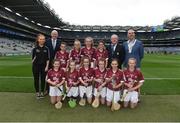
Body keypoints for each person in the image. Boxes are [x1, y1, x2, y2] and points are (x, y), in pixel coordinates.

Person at [32, 34, 49, 99]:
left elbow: (48, 59)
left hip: (43, 67)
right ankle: (37, 93)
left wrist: (47, 66)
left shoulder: (46, 48)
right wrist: (34, 59)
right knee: (36, 79)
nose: (42, 40)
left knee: (43, 80)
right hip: (35, 66)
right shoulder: (35, 49)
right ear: (38, 40)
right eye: (41, 39)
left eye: (43, 39)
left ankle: (42, 92)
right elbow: (32, 60)